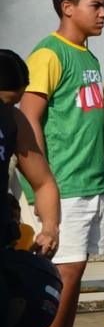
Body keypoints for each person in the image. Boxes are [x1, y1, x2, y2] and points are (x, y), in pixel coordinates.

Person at [20, 0, 104, 327]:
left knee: (73, 279)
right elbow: (28, 119)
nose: (103, 13)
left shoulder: (88, 58)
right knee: (60, 278)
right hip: (64, 187)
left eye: (103, 5)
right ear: (67, 7)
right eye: (96, 5)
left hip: (91, 184)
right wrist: (47, 185)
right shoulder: (48, 54)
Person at [2, 49, 60, 262]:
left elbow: (43, 182)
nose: (6, 110)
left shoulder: (14, 120)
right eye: (5, 102)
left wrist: (50, 228)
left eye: (12, 103)